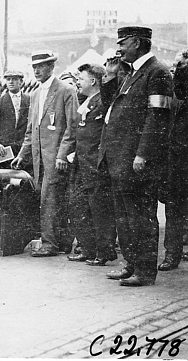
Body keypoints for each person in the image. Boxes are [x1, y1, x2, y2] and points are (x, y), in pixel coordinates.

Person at [99, 26, 173, 287]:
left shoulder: (157, 72)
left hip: (137, 161)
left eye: (124, 43)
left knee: (141, 216)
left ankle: (145, 271)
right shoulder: (129, 73)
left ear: (139, 43)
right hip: (120, 160)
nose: (119, 48)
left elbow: (158, 119)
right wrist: (110, 74)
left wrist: (143, 154)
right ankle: (131, 264)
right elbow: (110, 105)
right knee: (124, 216)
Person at [12, 50, 78, 257]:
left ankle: (50, 243)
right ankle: (63, 242)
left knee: (50, 199)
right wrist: (22, 154)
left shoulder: (66, 91)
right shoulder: (35, 94)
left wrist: (61, 154)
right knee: (51, 198)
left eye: (41, 66)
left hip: (56, 158)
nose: (37, 70)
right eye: (34, 67)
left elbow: (72, 127)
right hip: (40, 158)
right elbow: (32, 129)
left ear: (52, 67)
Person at [66, 63, 117, 265]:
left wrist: (111, 73)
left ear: (93, 81)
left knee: (99, 211)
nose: (77, 82)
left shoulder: (102, 102)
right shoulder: (86, 102)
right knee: (79, 208)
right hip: (80, 165)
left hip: (96, 168)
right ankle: (87, 249)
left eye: (81, 78)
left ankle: (103, 252)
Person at [159, 47, 188, 276]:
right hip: (172, 159)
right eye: (175, 66)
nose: (176, 71)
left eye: (181, 66)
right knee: (173, 209)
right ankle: (171, 254)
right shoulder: (170, 93)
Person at [0, 70, 30, 168]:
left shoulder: (30, 101)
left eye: (14, 79)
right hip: (4, 149)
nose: (10, 82)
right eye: (8, 79)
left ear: (21, 82)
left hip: (23, 149)